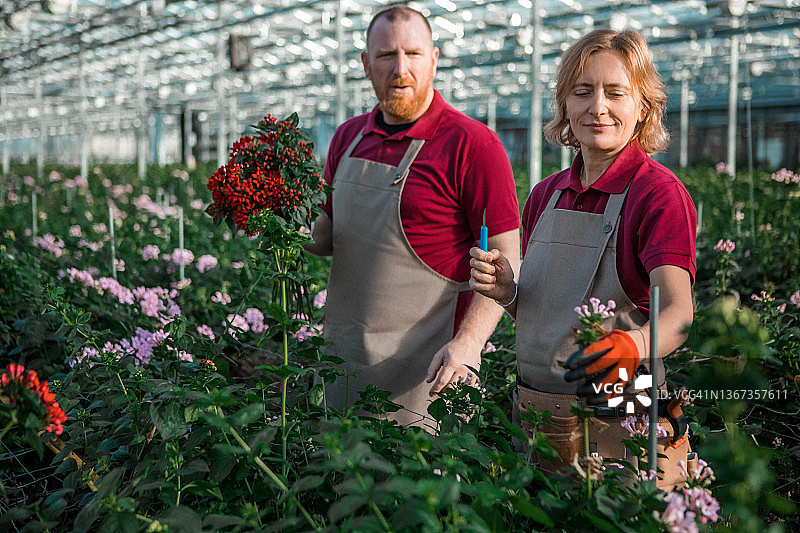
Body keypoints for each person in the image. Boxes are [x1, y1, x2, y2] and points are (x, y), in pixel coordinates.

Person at [467, 29, 696, 489]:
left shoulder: (657, 194)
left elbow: (679, 314)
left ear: (642, 106)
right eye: (583, 91)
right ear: (565, 105)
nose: (598, 107)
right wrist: (509, 292)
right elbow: (551, 312)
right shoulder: (545, 195)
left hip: (623, 405)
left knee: (628, 507)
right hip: (537, 414)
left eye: (616, 93)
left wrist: (633, 346)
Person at [304, 4, 520, 427]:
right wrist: (271, 219)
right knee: (340, 486)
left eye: (414, 54)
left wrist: (471, 341)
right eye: (386, 55)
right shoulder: (348, 138)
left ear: (434, 59)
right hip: (343, 367)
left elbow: (505, 257)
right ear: (367, 65)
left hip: (429, 374)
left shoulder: (473, 145)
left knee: (423, 486)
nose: (400, 68)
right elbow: (324, 236)